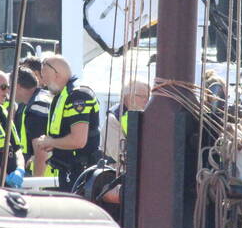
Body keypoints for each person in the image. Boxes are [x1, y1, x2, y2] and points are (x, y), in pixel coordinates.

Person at [32, 55, 101, 191]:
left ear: (56, 74)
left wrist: (50, 142)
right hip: (69, 170)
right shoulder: (64, 95)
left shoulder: (77, 96)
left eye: (44, 77)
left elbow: (78, 141)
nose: (43, 83)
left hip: (80, 173)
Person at [13, 66, 53, 176]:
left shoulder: (36, 107)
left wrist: (36, 184)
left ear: (17, 86)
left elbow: (41, 151)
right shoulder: (45, 96)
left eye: (8, 86)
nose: (7, 91)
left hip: (47, 175)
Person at [103, 80, 150, 161]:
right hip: (117, 170)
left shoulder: (147, 116)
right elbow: (120, 155)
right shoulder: (113, 119)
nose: (146, 100)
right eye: (141, 96)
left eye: (148, 97)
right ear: (126, 96)